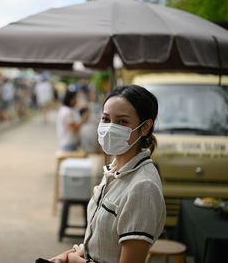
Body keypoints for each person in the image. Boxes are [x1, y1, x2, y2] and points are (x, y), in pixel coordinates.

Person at [49, 85, 166, 263]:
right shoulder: (113, 171)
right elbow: (100, 241)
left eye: (122, 121)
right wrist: (68, 254)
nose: (110, 128)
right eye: (105, 119)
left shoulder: (143, 187)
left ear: (145, 127)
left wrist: (74, 261)